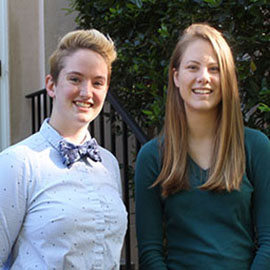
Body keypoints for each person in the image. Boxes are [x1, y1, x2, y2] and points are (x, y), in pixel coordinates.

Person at [135, 23, 270, 269]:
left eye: (214, 69)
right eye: (192, 67)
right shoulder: (153, 156)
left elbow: (269, 242)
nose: (203, 77)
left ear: (226, 77)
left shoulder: (256, 147)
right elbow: (150, 252)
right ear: (176, 76)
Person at [0, 29, 127, 270]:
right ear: (51, 85)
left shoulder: (108, 164)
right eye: (75, 79)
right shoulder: (17, 163)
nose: (86, 92)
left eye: (97, 82)